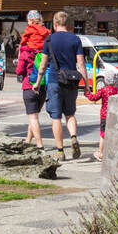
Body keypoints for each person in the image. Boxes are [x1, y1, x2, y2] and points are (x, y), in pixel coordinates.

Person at [41, 10, 88, 162]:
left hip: (55, 81)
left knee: (56, 117)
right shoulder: (75, 39)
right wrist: (86, 84)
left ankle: (60, 151)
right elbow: (81, 64)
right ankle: (73, 137)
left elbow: (42, 65)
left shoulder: (49, 40)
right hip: (71, 81)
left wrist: (37, 82)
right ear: (68, 25)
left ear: (54, 24)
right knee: (70, 114)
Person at [15, 10, 50, 150]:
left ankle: (40, 145)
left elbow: (19, 70)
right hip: (43, 86)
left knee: (33, 117)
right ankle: (28, 141)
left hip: (29, 85)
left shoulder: (25, 51)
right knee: (34, 114)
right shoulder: (45, 50)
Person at [84, 72, 118, 162]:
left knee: (103, 135)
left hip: (104, 115)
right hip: (114, 115)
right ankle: (113, 152)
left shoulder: (103, 90)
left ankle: (101, 153)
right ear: (115, 81)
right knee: (113, 134)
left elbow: (93, 98)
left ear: (105, 81)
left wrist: (87, 93)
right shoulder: (117, 90)